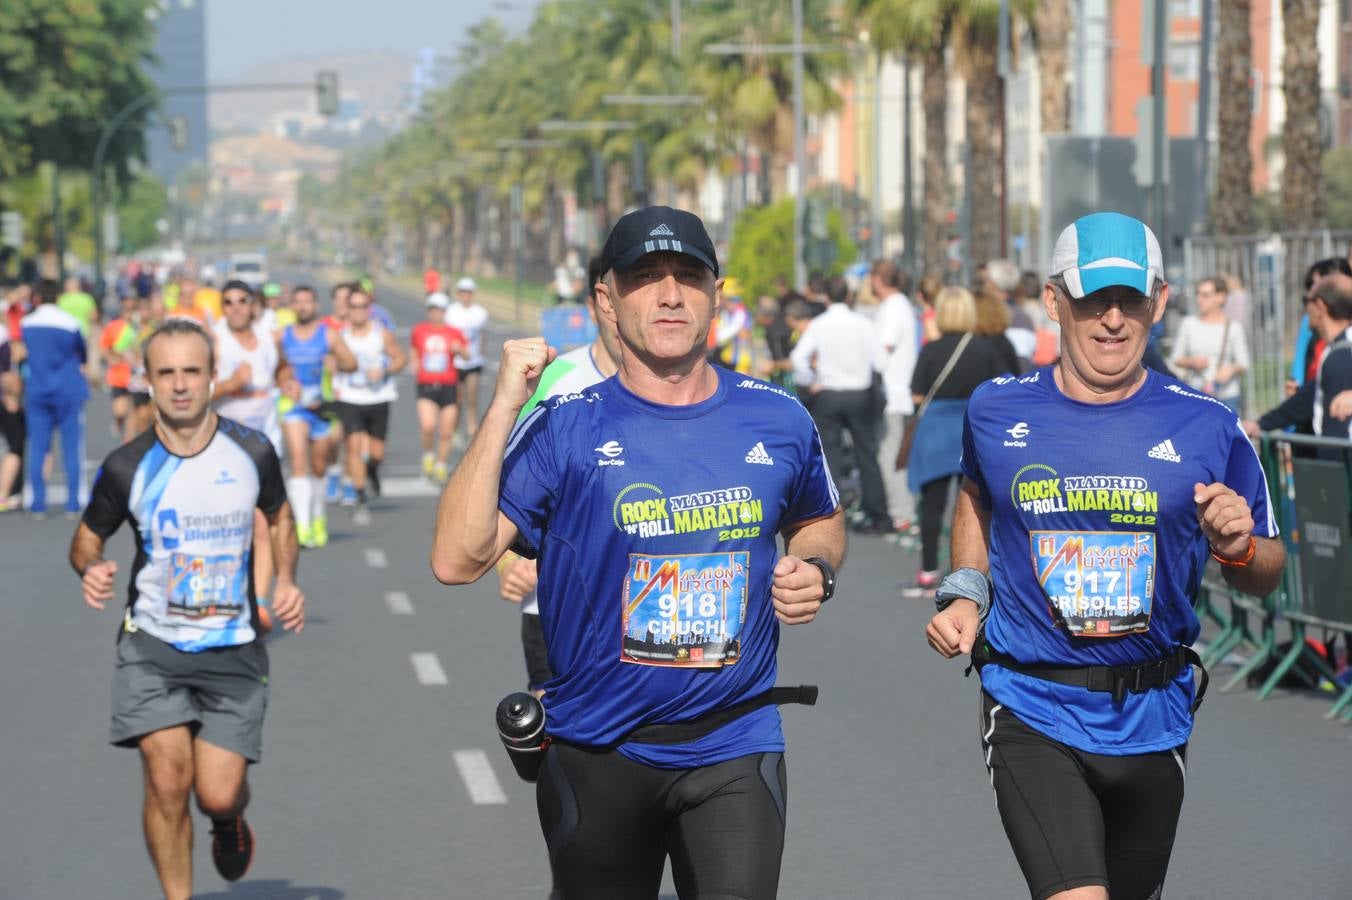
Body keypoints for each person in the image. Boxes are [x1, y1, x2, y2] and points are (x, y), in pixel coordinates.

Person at [431, 206, 844, 900]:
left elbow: (820, 519)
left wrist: (817, 568)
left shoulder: (778, 417)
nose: (670, 294)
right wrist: (503, 407)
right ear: (607, 300)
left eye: (689, 276)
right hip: (598, 749)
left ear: (717, 294)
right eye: (646, 278)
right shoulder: (567, 425)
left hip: (734, 741)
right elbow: (457, 558)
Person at [926, 212, 1284, 900]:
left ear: (1161, 302)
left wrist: (1239, 549)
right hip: (1033, 704)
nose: (1113, 320)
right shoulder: (997, 410)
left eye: (1130, 300)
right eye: (1094, 300)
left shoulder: (1208, 424)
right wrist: (967, 589)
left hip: (1156, 715)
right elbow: (977, 495)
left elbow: (1270, 573)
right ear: (1055, 301)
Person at [68, 318, 306, 900]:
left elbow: (278, 517)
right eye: (166, 372)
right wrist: (91, 566)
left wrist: (288, 580)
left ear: (211, 376)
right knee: (166, 781)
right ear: (146, 380)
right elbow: (86, 538)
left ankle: (227, 822)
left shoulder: (251, 451)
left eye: (191, 371)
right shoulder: (127, 466)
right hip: (151, 648)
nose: (179, 385)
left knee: (216, 793)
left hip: (234, 650)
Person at [495, 255, 621, 696]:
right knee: (558, 750)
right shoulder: (554, 381)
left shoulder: (692, 389)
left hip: (659, 623)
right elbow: (504, 485)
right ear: (599, 303)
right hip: (557, 610)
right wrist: (510, 561)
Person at [904, 286, 1010, 596]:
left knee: (932, 505)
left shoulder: (930, 349)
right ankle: (972, 571)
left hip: (935, 429)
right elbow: (1001, 386)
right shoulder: (983, 349)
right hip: (971, 427)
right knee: (974, 502)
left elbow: (917, 394)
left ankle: (927, 571)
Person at [790, 274, 889, 533]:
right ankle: (877, 511)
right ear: (849, 296)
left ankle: (831, 510)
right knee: (867, 453)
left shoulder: (819, 324)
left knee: (829, 452)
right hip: (860, 392)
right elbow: (880, 361)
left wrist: (810, 381)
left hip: (829, 392)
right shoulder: (864, 324)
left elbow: (798, 357)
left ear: (826, 297)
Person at [278, 285, 356, 547]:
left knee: (320, 466)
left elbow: (351, 363)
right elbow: (275, 368)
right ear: (292, 306)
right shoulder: (283, 336)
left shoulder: (328, 335)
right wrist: (285, 381)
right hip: (294, 407)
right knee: (299, 462)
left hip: (322, 408)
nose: (302, 307)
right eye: (297, 302)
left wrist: (336, 364)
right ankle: (302, 525)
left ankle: (318, 517)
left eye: (307, 302)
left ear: (316, 306)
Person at [1245, 274, 1352, 453]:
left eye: (1306, 300)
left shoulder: (1341, 355)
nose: (1305, 309)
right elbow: (1309, 398)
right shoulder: (1335, 349)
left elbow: (1337, 432)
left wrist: (1332, 479)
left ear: (1320, 306)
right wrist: (1261, 424)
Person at [333, 284, 405, 523]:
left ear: (369, 308)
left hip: (378, 397)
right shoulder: (340, 335)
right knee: (353, 448)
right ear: (347, 309)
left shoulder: (380, 333)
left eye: (363, 306)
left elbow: (400, 359)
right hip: (350, 397)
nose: (358, 311)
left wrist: (384, 370)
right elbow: (329, 360)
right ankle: (360, 496)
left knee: (376, 452)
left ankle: (372, 469)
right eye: (353, 307)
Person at [19, 279, 89, 516]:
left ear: (37, 297)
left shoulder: (27, 323)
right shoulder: (69, 323)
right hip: (67, 389)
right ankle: (73, 501)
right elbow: (82, 352)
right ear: (58, 297)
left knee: (38, 447)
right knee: (71, 448)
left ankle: (38, 502)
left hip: (38, 389)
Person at [872, 261, 920, 532]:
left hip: (893, 392)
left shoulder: (894, 307)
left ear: (879, 279)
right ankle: (902, 511)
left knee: (891, 455)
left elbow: (882, 350)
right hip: (897, 392)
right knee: (894, 454)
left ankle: (901, 513)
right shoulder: (900, 305)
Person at [1169, 276, 1249, 414]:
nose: (1199, 299)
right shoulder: (1189, 324)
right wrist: (1192, 362)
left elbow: (1243, 362)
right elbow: (1176, 358)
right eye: (1198, 294)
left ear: (1221, 297)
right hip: (1195, 392)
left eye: (1205, 295)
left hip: (1226, 395)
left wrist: (1230, 370)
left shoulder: (1233, 327)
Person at [410, 291, 468, 483]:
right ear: (429, 311)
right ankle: (428, 454)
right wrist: (414, 362)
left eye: (440, 310)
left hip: (449, 385)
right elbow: (414, 348)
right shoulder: (419, 330)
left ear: (445, 312)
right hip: (426, 384)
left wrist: (459, 350)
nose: (437, 314)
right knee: (428, 426)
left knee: (446, 431)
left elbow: (467, 354)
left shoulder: (454, 332)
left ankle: (441, 464)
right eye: (433, 310)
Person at [445, 276, 488, 447]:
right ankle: (455, 428)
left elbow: (483, 335)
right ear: (458, 294)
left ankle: (472, 430)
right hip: (455, 362)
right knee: (457, 398)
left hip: (474, 361)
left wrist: (481, 353)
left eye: (469, 293)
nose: (466, 296)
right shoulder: (451, 312)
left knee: (472, 397)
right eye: (463, 292)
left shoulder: (480, 313)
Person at [100, 294, 146, 443]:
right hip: (118, 375)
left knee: (132, 409)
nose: (129, 312)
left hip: (135, 376)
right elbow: (105, 348)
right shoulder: (113, 327)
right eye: (126, 309)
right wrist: (112, 358)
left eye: (132, 309)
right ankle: (119, 422)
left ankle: (129, 439)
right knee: (120, 410)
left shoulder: (139, 328)